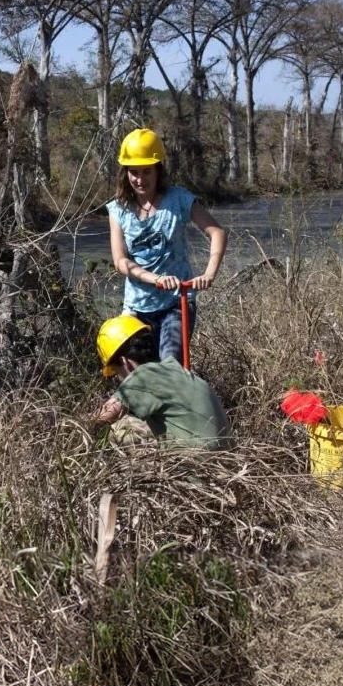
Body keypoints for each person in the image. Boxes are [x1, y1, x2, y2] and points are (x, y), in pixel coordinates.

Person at [106, 128, 227, 365]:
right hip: (137, 307)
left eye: (146, 171)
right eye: (134, 172)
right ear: (125, 173)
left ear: (158, 170)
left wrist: (209, 274)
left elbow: (217, 232)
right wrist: (155, 278)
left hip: (176, 302)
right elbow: (120, 261)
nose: (140, 179)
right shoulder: (118, 210)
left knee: (169, 362)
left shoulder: (178, 199)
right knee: (133, 369)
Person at [88, 315, 231, 450]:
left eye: (114, 371)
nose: (117, 378)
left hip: (195, 468)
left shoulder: (141, 376)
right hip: (227, 462)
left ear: (124, 362)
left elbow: (102, 416)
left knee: (121, 429)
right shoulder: (173, 368)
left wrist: (72, 427)